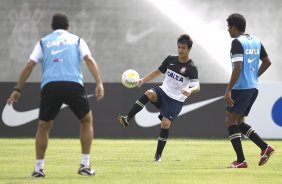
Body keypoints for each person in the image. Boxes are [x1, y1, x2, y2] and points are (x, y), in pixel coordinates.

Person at [7, 13, 104, 177]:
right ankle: (85, 165)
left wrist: (17, 89)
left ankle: (39, 169)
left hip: (50, 86)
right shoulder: (77, 40)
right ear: (68, 26)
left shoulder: (43, 42)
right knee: (86, 120)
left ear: (52, 27)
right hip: (73, 84)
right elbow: (89, 59)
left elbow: (30, 65)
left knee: (43, 126)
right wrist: (99, 82)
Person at [118, 34, 200, 161]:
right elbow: (158, 71)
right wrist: (143, 80)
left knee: (165, 123)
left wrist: (190, 90)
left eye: (183, 48)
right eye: (179, 47)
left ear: (189, 49)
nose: (180, 50)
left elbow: (197, 86)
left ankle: (158, 155)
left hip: (176, 99)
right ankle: (127, 118)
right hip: (163, 91)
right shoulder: (171, 59)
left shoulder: (191, 67)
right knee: (149, 93)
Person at [225, 13, 274, 168]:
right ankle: (264, 147)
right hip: (253, 88)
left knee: (230, 121)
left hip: (241, 88)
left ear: (234, 27)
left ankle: (241, 161)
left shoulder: (237, 42)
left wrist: (228, 90)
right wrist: (254, 76)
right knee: (239, 122)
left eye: (229, 27)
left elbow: (238, 66)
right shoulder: (256, 41)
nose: (228, 30)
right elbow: (267, 62)